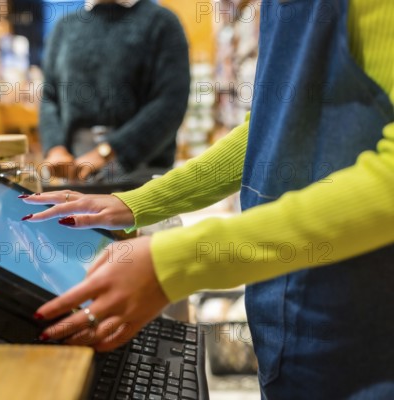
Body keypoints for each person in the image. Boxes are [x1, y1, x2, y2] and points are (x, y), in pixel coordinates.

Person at [22, 0, 394, 398]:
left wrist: (178, 262)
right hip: (298, 325)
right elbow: (270, 130)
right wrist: (136, 203)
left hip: (371, 334)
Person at [39, 0, 190, 181]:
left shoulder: (162, 23)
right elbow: (49, 96)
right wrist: (56, 149)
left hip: (143, 172)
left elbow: (171, 101)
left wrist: (109, 152)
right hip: (77, 174)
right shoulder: (64, 27)